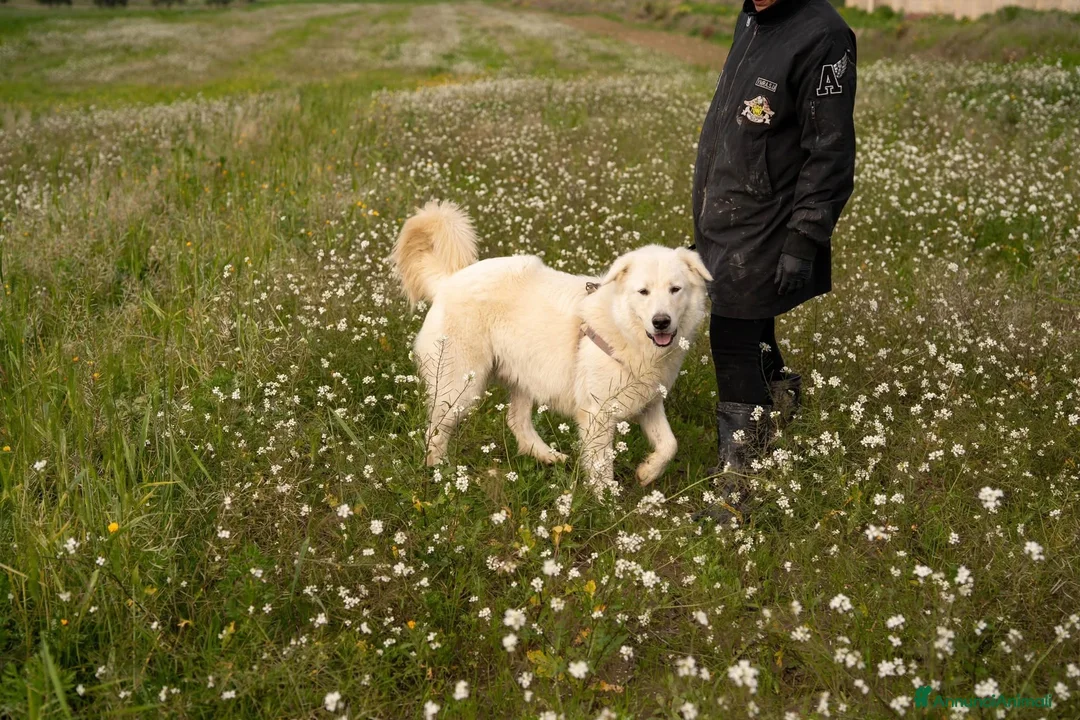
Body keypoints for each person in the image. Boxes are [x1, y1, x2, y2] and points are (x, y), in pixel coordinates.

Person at [691, 0, 857, 520]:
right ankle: (783, 413)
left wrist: (803, 239)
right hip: (728, 215)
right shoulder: (752, 17)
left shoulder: (825, 36)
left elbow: (830, 151)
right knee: (755, 328)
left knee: (733, 337)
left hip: (768, 223)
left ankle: (742, 490)